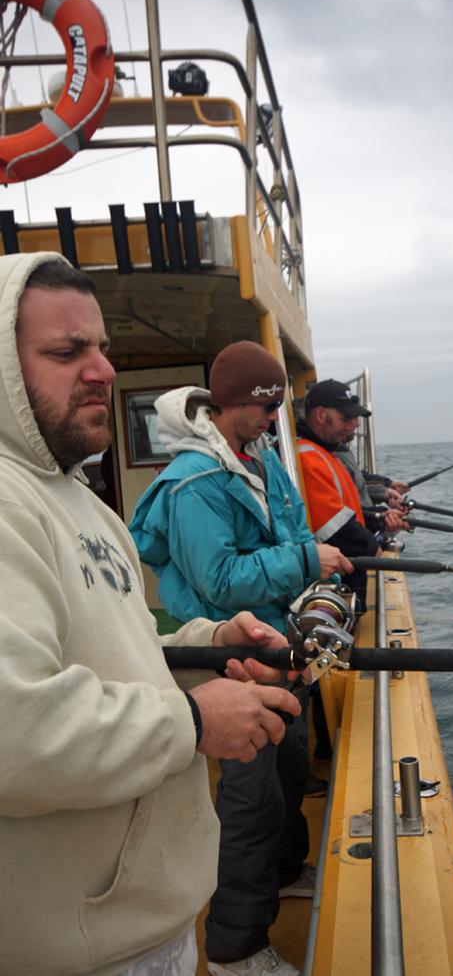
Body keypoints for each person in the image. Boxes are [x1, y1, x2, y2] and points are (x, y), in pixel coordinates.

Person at [0, 252, 300, 976]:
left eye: (101, 348)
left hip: (140, 918)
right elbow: (17, 729)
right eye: (67, 352)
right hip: (73, 949)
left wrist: (211, 642)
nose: (101, 369)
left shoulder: (81, 502)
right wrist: (195, 722)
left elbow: (130, 641)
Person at [129, 342, 351, 976]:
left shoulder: (261, 459)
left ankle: (285, 872)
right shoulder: (194, 483)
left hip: (279, 644)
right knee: (249, 802)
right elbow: (220, 581)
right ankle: (233, 946)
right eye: (262, 405)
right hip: (231, 658)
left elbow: (291, 532)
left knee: (290, 767)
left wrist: (309, 569)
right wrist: (309, 561)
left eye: (277, 404)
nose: (271, 416)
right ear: (226, 402)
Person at [296, 379, 382, 611]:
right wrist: (373, 548)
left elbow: (346, 509)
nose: (353, 425)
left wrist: (378, 518)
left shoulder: (323, 453)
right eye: (345, 418)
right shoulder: (307, 456)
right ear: (321, 415)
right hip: (335, 584)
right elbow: (333, 529)